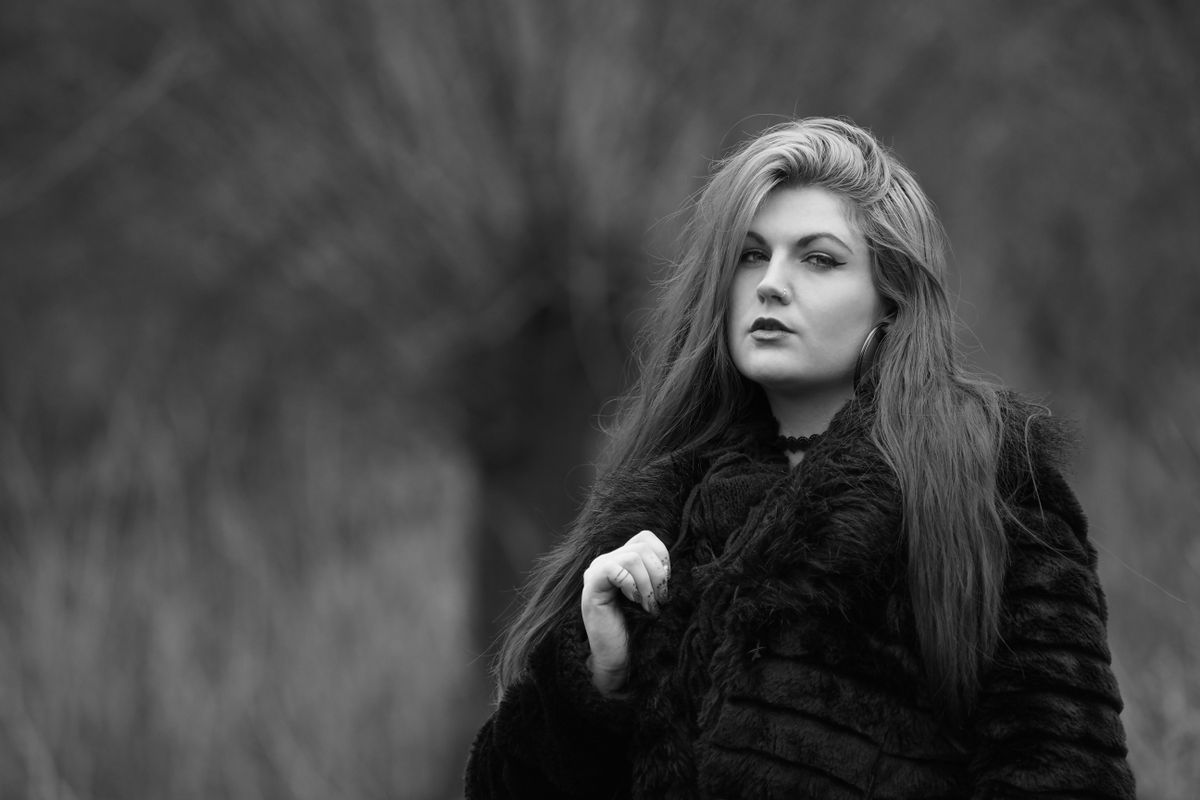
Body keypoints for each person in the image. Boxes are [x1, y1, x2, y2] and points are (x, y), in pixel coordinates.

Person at [464, 117, 1136, 799]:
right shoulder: (657, 519)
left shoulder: (984, 487)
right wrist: (595, 676)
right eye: (752, 255)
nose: (770, 285)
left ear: (890, 299)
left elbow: (1065, 770)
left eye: (818, 259)